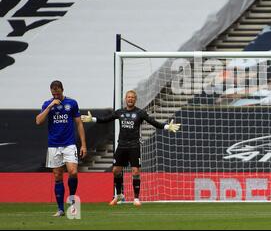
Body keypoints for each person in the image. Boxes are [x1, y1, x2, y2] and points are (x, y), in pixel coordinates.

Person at [81, 90, 180, 206]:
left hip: (134, 146)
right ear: (125, 99)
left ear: (135, 99)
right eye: (128, 97)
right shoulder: (119, 112)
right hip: (122, 145)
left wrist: (167, 126)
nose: (130, 99)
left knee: (136, 171)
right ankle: (119, 195)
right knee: (116, 170)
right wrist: (92, 119)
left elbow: (153, 122)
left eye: (132, 97)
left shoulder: (140, 113)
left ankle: (136, 198)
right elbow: (105, 119)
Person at [36, 80, 87, 217]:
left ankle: (72, 201)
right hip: (54, 145)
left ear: (62, 90)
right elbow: (38, 121)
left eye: (58, 92)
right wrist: (50, 107)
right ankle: (60, 209)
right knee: (58, 176)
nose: (56, 95)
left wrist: (83, 144)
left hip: (69, 144)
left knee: (73, 172)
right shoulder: (48, 104)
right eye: (53, 93)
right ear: (51, 92)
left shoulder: (72, 103)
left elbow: (79, 124)